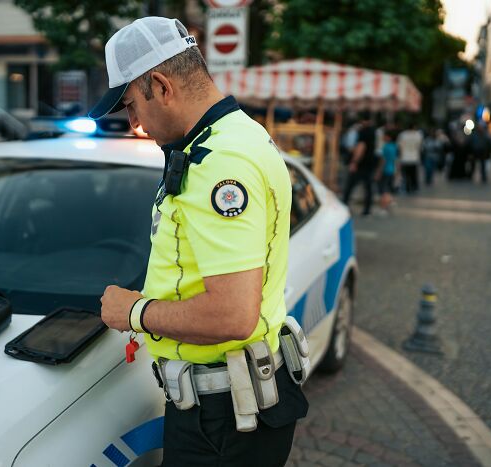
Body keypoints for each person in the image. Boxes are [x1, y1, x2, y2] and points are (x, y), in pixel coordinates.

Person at [91, 17, 308, 466]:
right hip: (230, 407)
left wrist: (133, 312)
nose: (133, 122)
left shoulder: (219, 162)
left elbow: (233, 314)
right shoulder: (232, 135)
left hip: (223, 418)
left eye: (131, 104)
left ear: (160, 85)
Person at [342, 113, 377, 215]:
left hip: (361, 164)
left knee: (349, 186)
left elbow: (361, 147)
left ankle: (344, 205)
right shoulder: (373, 131)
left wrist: (354, 162)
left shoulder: (363, 132)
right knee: (368, 188)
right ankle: (367, 209)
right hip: (369, 163)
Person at [397, 122, 422, 193]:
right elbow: (420, 147)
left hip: (404, 158)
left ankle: (407, 187)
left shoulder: (402, 135)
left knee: (406, 174)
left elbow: (399, 146)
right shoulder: (418, 135)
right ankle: (414, 187)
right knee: (413, 174)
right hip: (414, 157)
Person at [378, 131, 398, 213]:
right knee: (388, 188)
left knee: (383, 190)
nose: (383, 138)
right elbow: (396, 160)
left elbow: (383, 160)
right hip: (392, 169)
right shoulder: (394, 146)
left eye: (385, 136)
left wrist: (378, 171)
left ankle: (383, 208)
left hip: (385, 170)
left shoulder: (385, 147)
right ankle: (390, 203)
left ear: (389, 137)